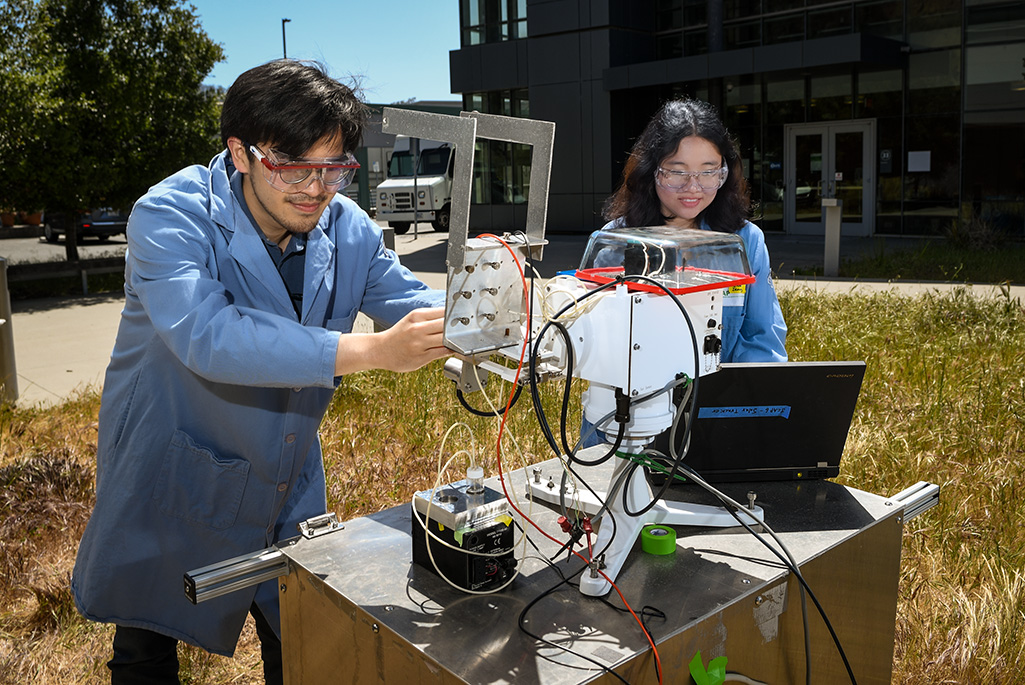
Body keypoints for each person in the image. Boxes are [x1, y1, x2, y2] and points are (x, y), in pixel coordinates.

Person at [71, 59, 450, 683]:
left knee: (298, 635)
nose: (314, 188)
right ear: (240, 153)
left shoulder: (346, 226)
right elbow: (209, 336)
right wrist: (372, 351)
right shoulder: (170, 215)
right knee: (145, 643)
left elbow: (410, 300)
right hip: (175, 463)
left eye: (333, 168)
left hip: (286, 469)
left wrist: (490, 316)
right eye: (292, 165)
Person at [581, 97, 787, 448]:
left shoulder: (744, 241)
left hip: (711, 422)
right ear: (651, 170)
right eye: (677, 171)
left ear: (725, 171)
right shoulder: (612, 243)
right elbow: (588, 340)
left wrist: (742, 414)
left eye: (709, 171)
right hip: (619, 422)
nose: (694, 187)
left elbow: (762, 340)